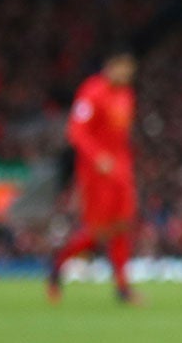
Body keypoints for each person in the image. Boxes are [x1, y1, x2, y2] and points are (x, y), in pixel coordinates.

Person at [46, 50, 140, 305]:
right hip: (96, 173)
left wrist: (125, 166)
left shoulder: (126, 95)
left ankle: (122, 288)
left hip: (120, 171)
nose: (126, 74)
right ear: (110, 66)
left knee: (122, 227)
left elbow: (121, 137)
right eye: (123, 68)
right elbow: (76, 131)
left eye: (130, 70)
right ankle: (57, 268)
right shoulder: (92, 92)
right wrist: (98, 157)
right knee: (98, 232)